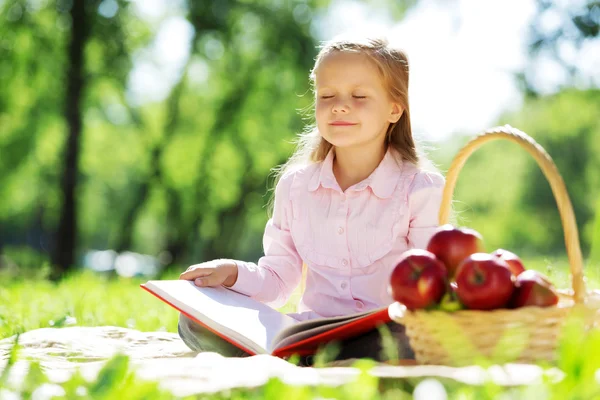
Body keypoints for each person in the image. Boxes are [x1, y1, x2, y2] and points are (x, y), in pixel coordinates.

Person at [178, 35, 445, 363]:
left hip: (386, 332)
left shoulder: (420, 187)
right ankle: (305, 358)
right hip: (310, 332)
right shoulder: (296, 186)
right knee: (194, 322)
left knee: (406, 342)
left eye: (359, 95)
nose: (339, 105)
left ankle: (305, 363)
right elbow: (278, 280)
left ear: (394, 109)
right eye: (327, 95)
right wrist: (230, 272)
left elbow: (431, 288)